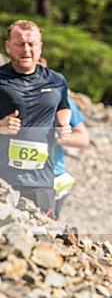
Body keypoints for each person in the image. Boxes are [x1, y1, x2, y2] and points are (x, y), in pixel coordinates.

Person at [0, 20, 72, 217]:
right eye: (20, 44)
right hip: (3, 179)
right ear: (8, 46)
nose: (26, 50)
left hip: (41, 179)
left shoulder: (57, 81)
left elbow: (63, 107)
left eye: (31, 44)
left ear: (40, 46)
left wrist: (63, 123)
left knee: (43, 230)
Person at [36, 57, 91, 220]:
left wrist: (50, 138)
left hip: (53, 177)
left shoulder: (60, 98)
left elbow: (83, 138)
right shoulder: (8, 93)